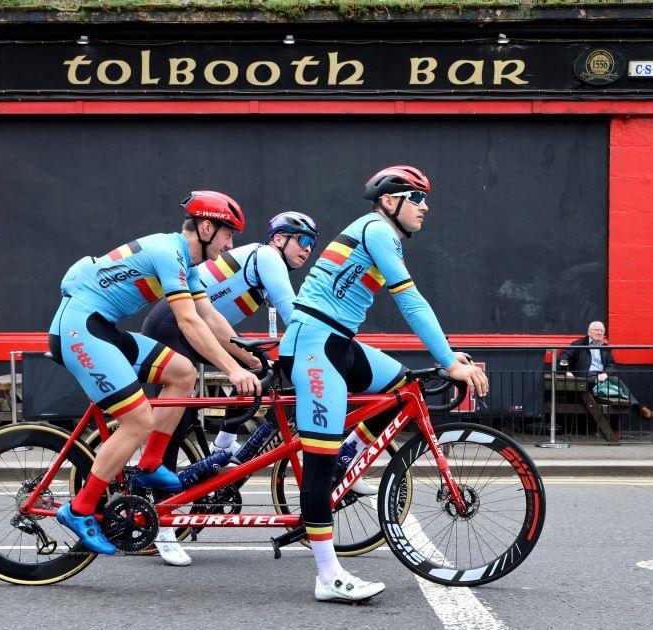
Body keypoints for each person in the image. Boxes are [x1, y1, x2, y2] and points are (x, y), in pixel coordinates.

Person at [278, 165, 488, 602]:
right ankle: (327, 575)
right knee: (318, 462)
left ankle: (347, 461)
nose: (425, 207)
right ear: (390, 201)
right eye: (417, 198)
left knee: (399, 389)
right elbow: (410, 300)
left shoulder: (379, 232)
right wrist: (447, 361)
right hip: (314, 343)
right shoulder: (376, 228)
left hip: (339, 340)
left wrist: (448, 353)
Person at [49, 190, 261, 556]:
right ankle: (80, 508)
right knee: (138, 421)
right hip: (80, 328)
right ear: (207, 227)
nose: (230, 244)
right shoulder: (168, 252)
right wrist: (231, 370)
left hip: (102, 328)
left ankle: (150, 463)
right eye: (229, 234)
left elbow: (210, 316)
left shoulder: (184, 263)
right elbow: (189, 322)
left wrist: (250, 359)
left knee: (182, 373)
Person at [139, 210, 319, 565]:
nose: (308, 250)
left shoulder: (264, 269)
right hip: (174, 324)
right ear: (280, 239)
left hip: (203, 327)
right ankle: (162, 524)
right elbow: (294, 314)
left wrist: (257, 361)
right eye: (304, 241)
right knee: (173, 418)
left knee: (257, 371)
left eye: (313, 244)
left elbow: (230, 331)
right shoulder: (267, 257)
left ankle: (222, 453)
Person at [558, 321, 653, 433]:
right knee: (615, 383)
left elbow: (612, 365)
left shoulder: (605, 347)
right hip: (585, 377)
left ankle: (616, 428)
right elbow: (564, 356)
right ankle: (639, 409)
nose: (600, 333)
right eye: (597, 330)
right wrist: (566, 371)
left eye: (602, 331)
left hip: (602, 378)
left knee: (615, 393)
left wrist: (605, 374)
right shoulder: (579, 344)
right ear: (589, 332)